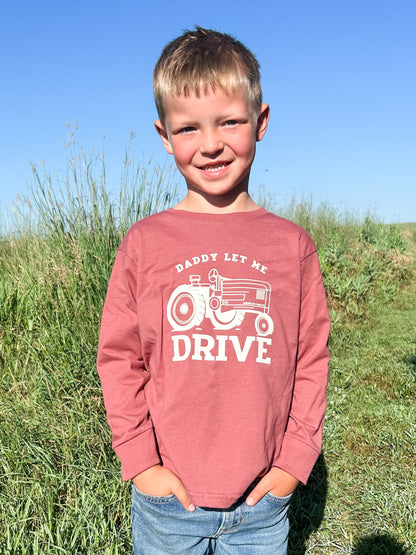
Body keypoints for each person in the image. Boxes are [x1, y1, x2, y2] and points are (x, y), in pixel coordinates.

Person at [97, 26, 330, 554]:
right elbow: (119, 357)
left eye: (229, 121)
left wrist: (294, 461)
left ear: (261, 122)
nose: (210, 144)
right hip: (167, 502)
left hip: (261, 503)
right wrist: (141, 463)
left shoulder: (291, 246)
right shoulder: (145, 243)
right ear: (164, 135)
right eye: (188, 129)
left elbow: (311, 359)